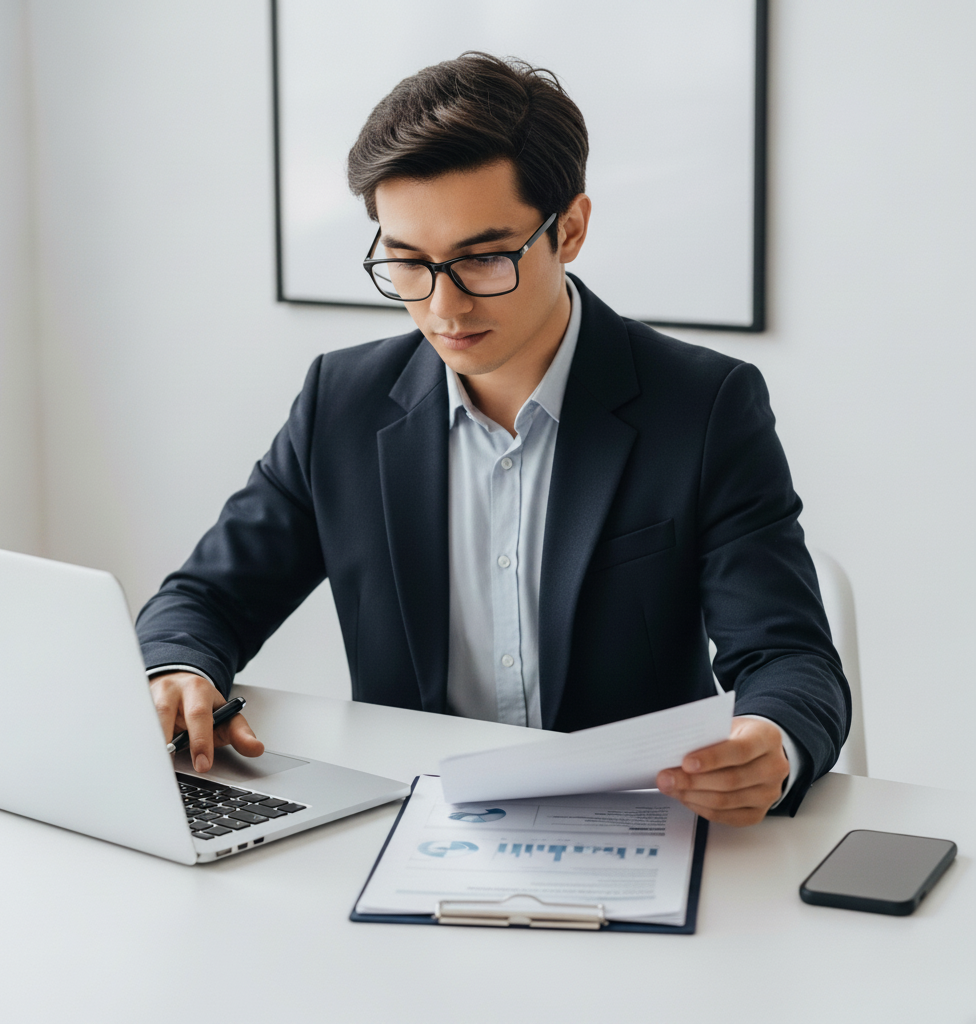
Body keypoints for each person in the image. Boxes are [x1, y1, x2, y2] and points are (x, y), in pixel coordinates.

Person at [137, 53, 849, 827]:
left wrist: (770, 742)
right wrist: (176, 670)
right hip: (410, 821)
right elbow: (207, 598)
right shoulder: (340, 404)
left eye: (481, 258)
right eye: (407, 262)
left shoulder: (703, 407)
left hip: (634, 823)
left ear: (569, 228)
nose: (443, 307)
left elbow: (788, 657)